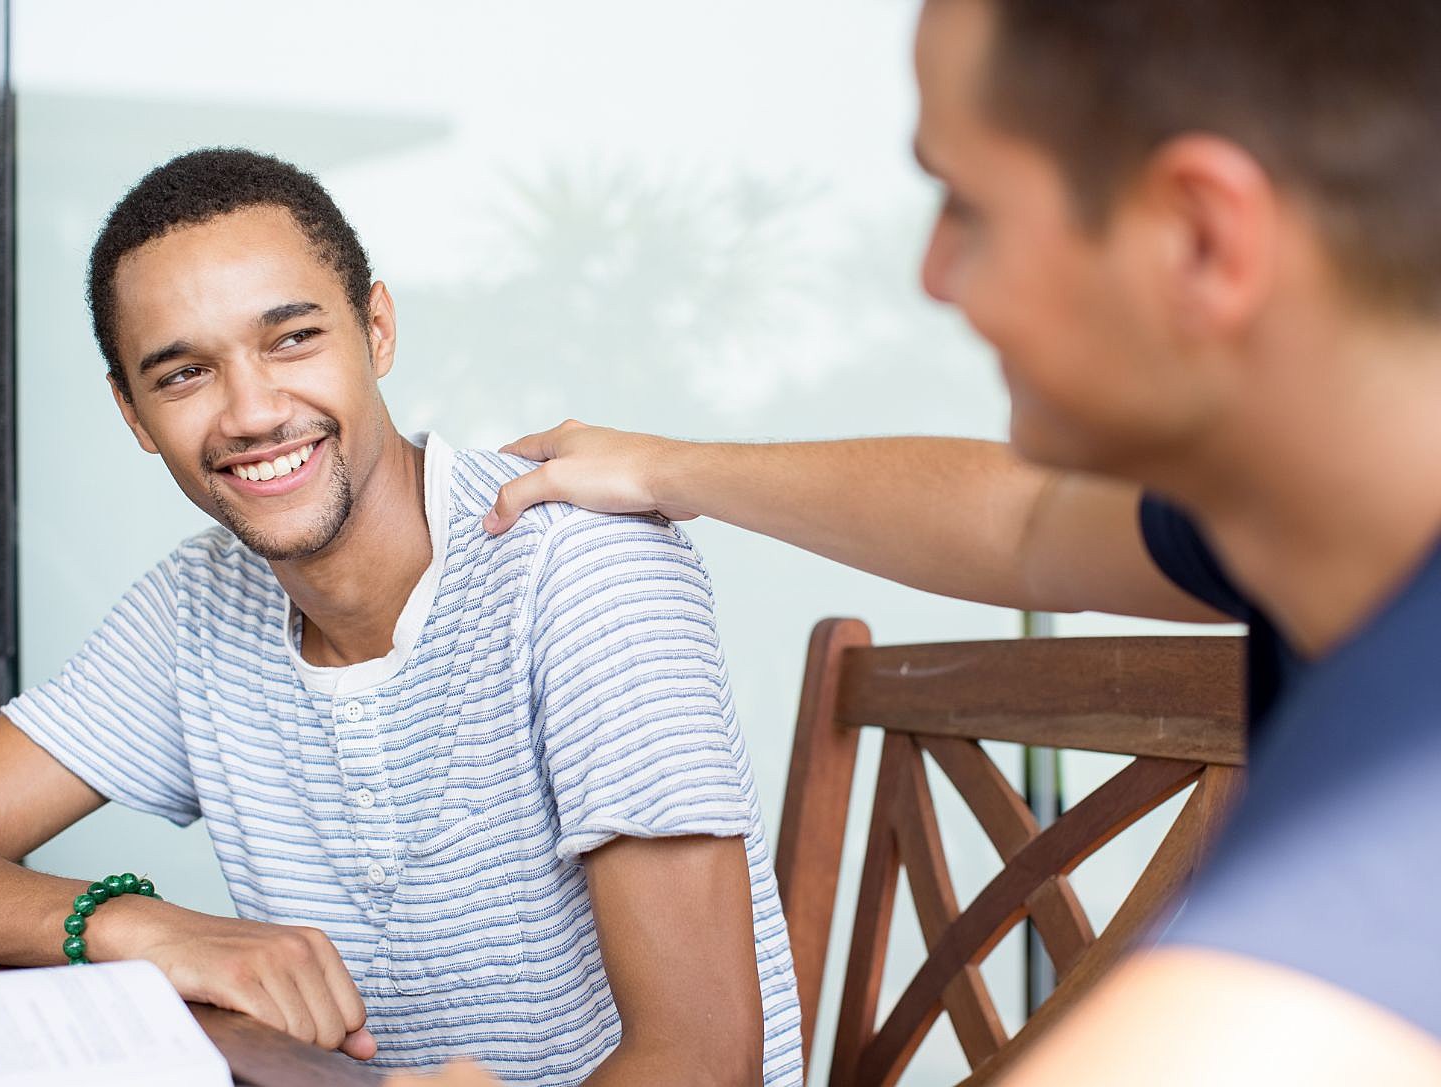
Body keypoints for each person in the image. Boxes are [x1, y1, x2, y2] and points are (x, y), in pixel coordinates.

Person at [466, 0, 1441, 1084]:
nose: (933, 274)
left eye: (965, 206)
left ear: (1202, 236)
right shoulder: (1303, 510)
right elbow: (1017, 523)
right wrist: (668, 470)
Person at [0, 149, 803, 1086]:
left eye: (292, 337)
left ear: (376, 329)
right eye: (183, 374)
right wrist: (146, 927)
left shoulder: (578, 564)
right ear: (133, 414)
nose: (253, 412)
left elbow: (705, 1064)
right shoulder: (197, 607)